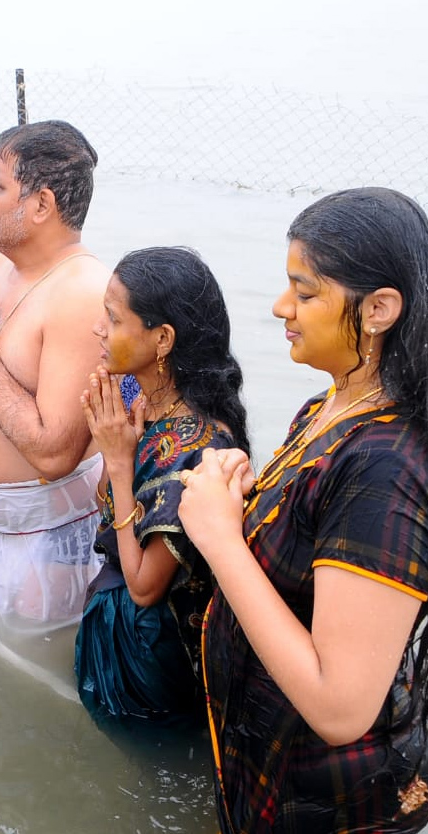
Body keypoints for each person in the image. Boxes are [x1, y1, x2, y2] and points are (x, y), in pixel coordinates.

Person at [178, 188, 428, 834]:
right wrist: (242, 497)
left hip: (334, 801)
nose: (280, 308)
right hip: (270, 764)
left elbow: (342, 707)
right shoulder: (329, 406)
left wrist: (219, 539)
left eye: (307, 292)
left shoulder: (387, 462)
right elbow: (311, 544)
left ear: (379, 309)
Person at [0, 120, 111, 637]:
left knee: (29, 685)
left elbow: (54, 455)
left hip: (42, 545)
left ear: (41, 205)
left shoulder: (83, 294)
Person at [74, 247, 249, 724]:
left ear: (162, 338)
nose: (98, 329)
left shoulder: (200, 443)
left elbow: (144, 586)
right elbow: (107, 506)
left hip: (149, 639)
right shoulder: (143, 402)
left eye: (112, 318)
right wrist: (117, 453)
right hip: (117, 622)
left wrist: (117, 460)